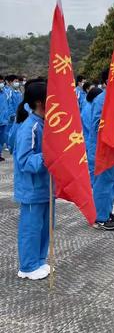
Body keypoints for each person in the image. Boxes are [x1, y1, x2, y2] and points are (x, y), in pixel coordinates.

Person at [13, 80, 52, 280]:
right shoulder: (30, 127)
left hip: (46, 187)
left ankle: (38, 260)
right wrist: (48, 154)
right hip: (32, 189)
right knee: (31, 228)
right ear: (39, 102)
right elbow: (24, 161)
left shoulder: (45, 123)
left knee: (45, 226)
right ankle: (27, 266)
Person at [87, 69, 114, 230]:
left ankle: (107, 212)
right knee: (102, 184)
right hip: (103, 150)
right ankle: (99, 217)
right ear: (106, 82)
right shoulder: (102, 100)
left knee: (112, 182)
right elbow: (96, 126)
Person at [81, 86, 103, 186]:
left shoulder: (92, 107)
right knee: (93, 169)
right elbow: (92, 127)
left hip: (93, 142)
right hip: (91, 142)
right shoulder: (88, 109)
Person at [0, 75, 8, 162]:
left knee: (2, 139)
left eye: (2, 82)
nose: (1, 84)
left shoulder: (4, 93)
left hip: (4, 120)